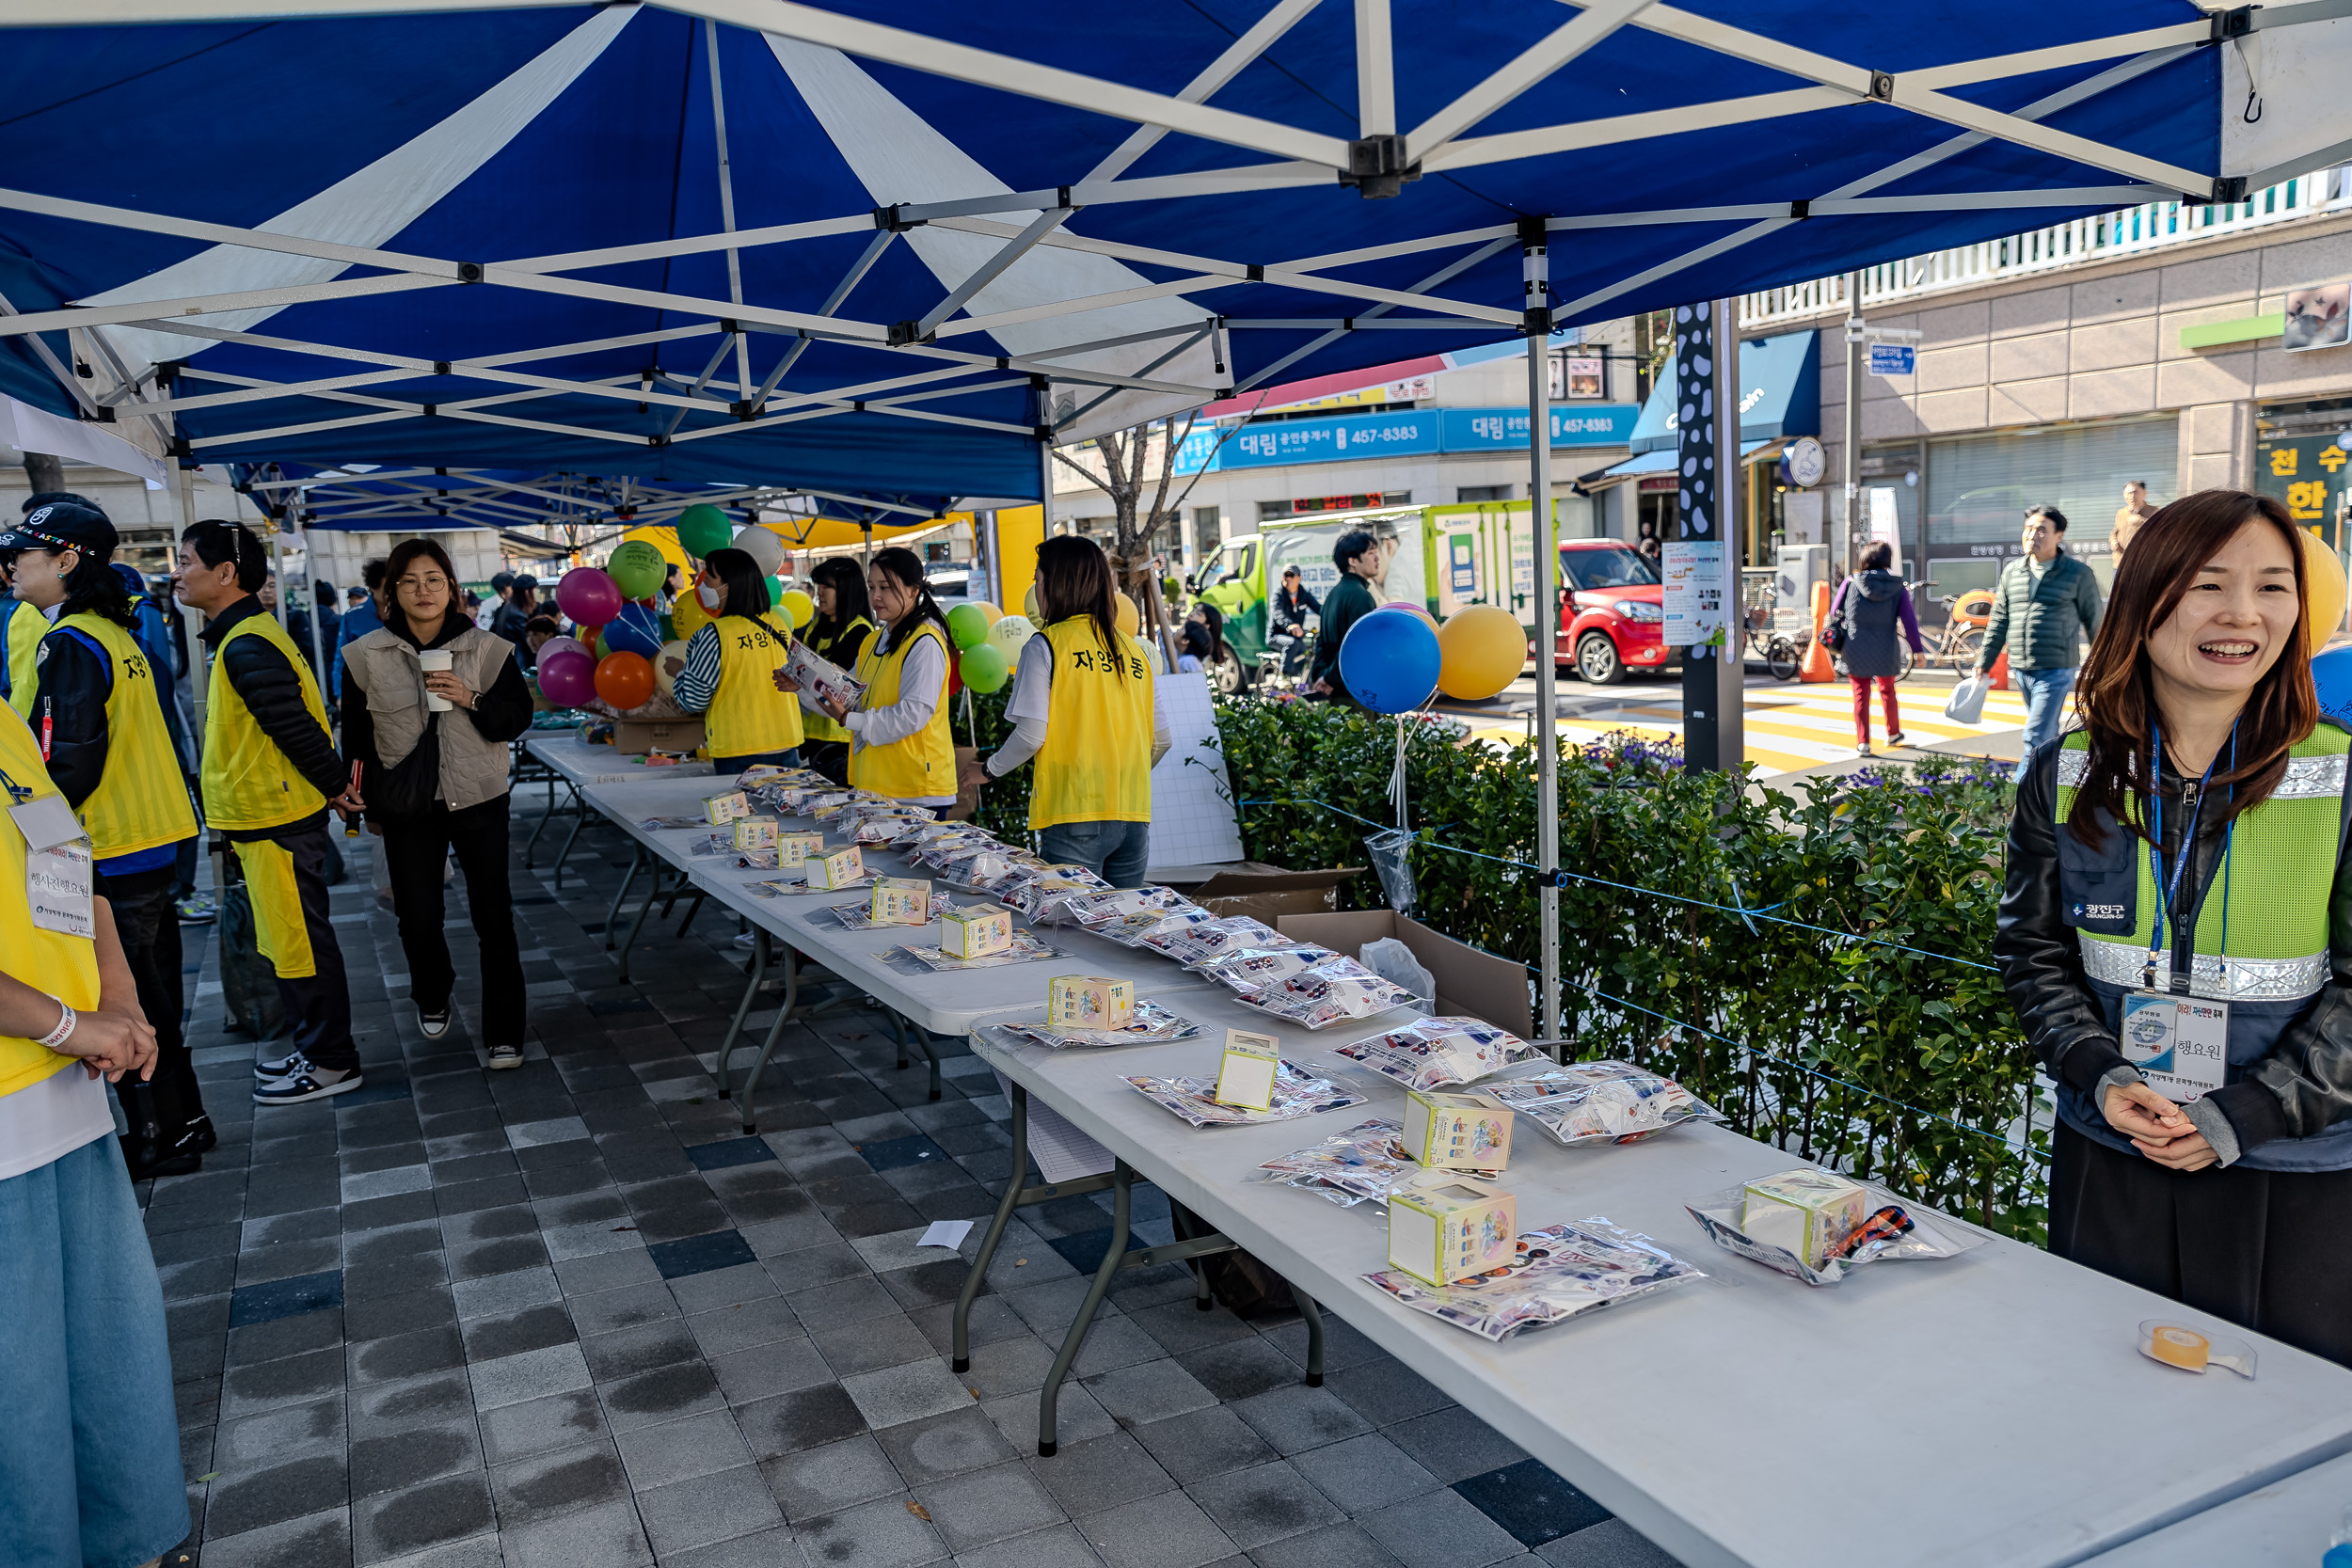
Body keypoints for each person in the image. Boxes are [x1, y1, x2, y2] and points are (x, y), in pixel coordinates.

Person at [1995, 489, 2352, 1368]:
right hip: (2113, 1142)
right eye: (2208, 584)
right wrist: (2100, 1072)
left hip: (2293, 1170)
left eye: (2274, 588)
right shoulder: (2068, 770)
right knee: (2107, 1399)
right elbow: (2034, 951)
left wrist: (2253, 1110)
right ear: (2145, 599)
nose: (2243, 614)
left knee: (2276, 1430)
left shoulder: (2341, 775)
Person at [0, 695, 189, 1568]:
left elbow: (66, 864)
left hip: (66, 1103)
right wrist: (68, 1026)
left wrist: (116, 997)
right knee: (18, 1397)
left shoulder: (4, 717)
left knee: (108, 1359)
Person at [1, 499, 209, 1180]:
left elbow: (68, 762)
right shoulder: (115, 631)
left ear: (65, 561)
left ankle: (160, 1134)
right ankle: (185, 1122)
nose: (11, 572)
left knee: (132, 1000)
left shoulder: (69, 640)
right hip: (154, 838)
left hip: (110, 847)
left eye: (22, 558)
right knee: (157, 999)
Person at [176, 520, 365, 1106]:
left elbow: (292, 726)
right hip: (267, 816)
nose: (177, 573)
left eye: (185, 561)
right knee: (292, 942)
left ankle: (332, 1061)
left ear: (225, 573)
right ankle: (316, 1051)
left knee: (301, 944)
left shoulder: (247, 643)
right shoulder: (245, 635)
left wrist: (337, 786)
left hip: (277, 818)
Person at [342, 538, 533, 1067]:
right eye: (409, 582)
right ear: (391, 593)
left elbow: (516, 719)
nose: (422, 591)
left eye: (433, 580)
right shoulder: (363, 657)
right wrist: (359, 801)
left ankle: (505, 1031)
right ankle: (432, 989)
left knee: (493, 917)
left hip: (480, 799)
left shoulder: (489, 649)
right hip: (408, 805)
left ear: (451, 587)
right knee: (418, 919)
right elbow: (356, 738)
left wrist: (469, 698)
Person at [961, 536, 1170, 887]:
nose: (1036, 589)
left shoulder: (1046, 645)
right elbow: (1162, 740)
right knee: (1122, 935)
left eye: (1038, 580)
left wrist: (988, 769)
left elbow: (1030, 735)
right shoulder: (1134, 652)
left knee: (1071, 934)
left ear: (1059, 584)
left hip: (1075, 816)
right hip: (1135, 818)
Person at [811, 546, 954, 805]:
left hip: (916, 790)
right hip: (876, 787)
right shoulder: (872, 640)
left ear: (914, 590)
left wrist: (850, 719)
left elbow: (913, 714)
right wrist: (800, 682)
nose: (875, 596)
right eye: (871, 587)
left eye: (885, 587)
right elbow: (847, 693)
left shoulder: (925, 642)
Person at [1980, 505, 2104, 780]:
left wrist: (2105, 663)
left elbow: (2095, 621)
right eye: (2028, 528)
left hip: (2056, 668)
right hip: (2022, 668)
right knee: (2045, 737)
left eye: (2041, 530)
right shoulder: (2013, 571)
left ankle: (2019, 799)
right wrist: (1983, 662)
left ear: (2059, 536)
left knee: (2035, 734)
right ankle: (2054, 786)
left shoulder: (2077, 574)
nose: (2032, 535)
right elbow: (1999, 619)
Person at [673, 547, 803, 774]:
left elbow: (693, 700)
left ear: (729, 585)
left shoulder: (713, 634)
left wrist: (679, 673)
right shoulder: (778, 623)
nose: (702, 585)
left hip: (739, 752)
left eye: (709, 577)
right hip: (786, 742)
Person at [1829, 543, 1927, 756]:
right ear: (1887, 560)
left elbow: (1835, 610)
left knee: (1860, 693)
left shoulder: (1851, 581)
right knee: (1888, 690)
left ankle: (1863, 743)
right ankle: (1893, 733)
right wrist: (1918, 651)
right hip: (1886, 644)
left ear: (1864, 559)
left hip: (1855, 645)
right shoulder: (1897, 586)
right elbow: (1909, 621)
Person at [797, 556, 874, 784]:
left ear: (847, 589)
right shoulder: (814, 627)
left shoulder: (860, 631)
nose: (820, 592)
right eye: (819, 585)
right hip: (809, 738)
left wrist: (798, 682)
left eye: (827, 586)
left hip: (841, 739)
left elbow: (836, 686)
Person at [1307, 529, 1380, 707]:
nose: (1377, 558)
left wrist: (1323, 677)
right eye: (1370, 553)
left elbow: (1321, 643)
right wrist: (1330, 679)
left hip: (1335, 697)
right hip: (1356, 695)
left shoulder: (1333, 594)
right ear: (1353, 561)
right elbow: (1356, 645)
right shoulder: (1360, 596)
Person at [331, 558, 386, 703]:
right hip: (362, 692)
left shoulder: (406, 614)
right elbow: (341, 657)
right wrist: (340, 694)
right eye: (388, 587)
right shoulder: (353, 616)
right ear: (374, 588)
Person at [1270, 565, 1320, 676]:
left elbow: (1318, 608)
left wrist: (1330, 616)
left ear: (1299, 578)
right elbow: (1278, 613)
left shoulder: (1304, 594)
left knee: (1306, 654)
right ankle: (1283, 677)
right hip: (1276, 635)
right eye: (1285, 575)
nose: (1287, 578)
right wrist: (1290, 625)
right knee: (1292, 644)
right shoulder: (1278, 595)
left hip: (1296, 637)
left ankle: (1302, 686)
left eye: (1291, 575)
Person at [1177, 603, 1226, 674]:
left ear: (1206, 626)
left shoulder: (1191, 661)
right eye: (1193, 610)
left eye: (1198, 614)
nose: (1191, 614)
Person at [490, 574, 537, 647]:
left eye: (505, 591)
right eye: (499, 593)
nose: (503, 596)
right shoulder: (513, 611)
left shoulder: (511, 608)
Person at [2113, 481, 2155, 560]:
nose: (2132, 496)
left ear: (2144, 493)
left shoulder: (2153, 511)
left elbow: (2159, 531)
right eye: (2129, 493)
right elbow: (2115, 532)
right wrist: (2114, 542)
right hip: (2121, 561)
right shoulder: (2121, 513)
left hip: (2143, 561)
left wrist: (2142, 521)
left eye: (2135, 492)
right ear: (2124, 495)